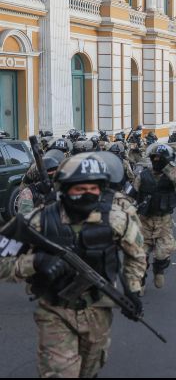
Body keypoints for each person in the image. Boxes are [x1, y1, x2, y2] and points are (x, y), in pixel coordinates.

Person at [0, 153, 146, 378]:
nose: (87, 194)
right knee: (61, 373)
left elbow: (136, 255)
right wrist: (36, 262)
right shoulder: (39, 221)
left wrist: (133, 289)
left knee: (90, 369)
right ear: (64, 189)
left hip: (99, 309)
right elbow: (2, 263)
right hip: (55, 310)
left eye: (93, 188)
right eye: (79, 189)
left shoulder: (116, 218)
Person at [133, 143, 176, 292]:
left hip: (164, 221)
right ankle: (141, 283)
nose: (157, 160)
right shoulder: (143, 175)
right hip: (144, 221)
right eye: (155, 158)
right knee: (140, 255)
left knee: (162, 253)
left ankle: (159, 270)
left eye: (160, 158)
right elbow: (131, 194)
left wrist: (169, 169)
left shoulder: (171, 174)